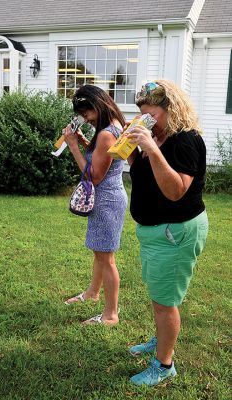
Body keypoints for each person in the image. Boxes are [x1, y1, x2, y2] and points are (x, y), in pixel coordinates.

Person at [126, 80, 208, 385]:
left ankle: (164, 364)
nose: (148, 120)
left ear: (171, 110)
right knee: (159, 293)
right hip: (156, 231)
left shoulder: (185, 141)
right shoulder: (156, 137)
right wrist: (133, 150)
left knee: (165, 302)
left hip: (175, 231)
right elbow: (144, 175)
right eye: (143, 114)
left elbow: (176, 191)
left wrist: (151, 148)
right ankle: (159, 340)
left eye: (152, 115)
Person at [63, 85, 128, 326]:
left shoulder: (106, 134)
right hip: (110, 197)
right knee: (100, 252)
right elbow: (104, 156)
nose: (86, 118)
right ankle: (92, 293)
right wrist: (82, 141)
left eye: (87, 113)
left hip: (106, 200)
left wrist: (72, 146)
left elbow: (94, 175)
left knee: (106, 257)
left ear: (97, 106)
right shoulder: (113, 127)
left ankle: (111, 315)